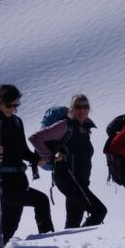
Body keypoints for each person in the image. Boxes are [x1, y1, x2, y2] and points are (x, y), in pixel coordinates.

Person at [0, 84, 54, 247]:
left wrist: (36, 159)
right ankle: (51, 242)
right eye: (9, 104)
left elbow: (22, 150)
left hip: (18, 177)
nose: (13, 108)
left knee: (10, 223)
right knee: (41, 201)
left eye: (16, 104)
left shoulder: (17, 121)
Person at [28, 94, 107, 229]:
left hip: (79, 182)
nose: (82, 110)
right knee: (99, 212)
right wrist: (50, 156)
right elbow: (35, 138)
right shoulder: (65, 125)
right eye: (78, 107)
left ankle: (72, 246)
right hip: (68, 180)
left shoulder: (84, 128)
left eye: (85, 107)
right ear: (71, 109)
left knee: (73, 224)